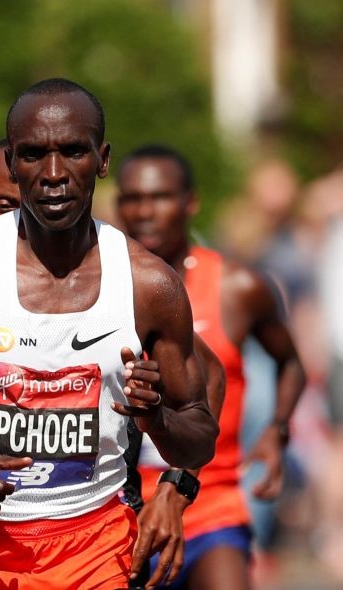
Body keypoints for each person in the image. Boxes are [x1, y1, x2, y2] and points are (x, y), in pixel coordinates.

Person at [0, 78, 219, 589]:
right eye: (33, 155)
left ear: (102, 159)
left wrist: (156, 419)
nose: (54, 175)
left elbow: (199, 440)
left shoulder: (148, 285)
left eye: (73, 151)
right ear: (12, 164)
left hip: (91, 549)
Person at [117, 144, 306, 589]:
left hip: (210, 502)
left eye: (160, 197)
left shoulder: (237, 287)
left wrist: (277, 430)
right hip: (125, 512)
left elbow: (291, 363)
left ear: (190, 202)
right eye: (132, 198)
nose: (144, 212)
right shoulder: (101, 288)